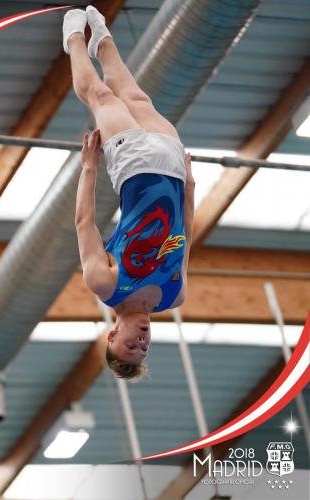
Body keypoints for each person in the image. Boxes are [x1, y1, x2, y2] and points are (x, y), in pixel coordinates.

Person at [63, 6, 195, 381]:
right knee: (137, 98)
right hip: (170, 167)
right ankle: (102, 40)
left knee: (101, 95)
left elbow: (83, 223)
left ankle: (73, 39)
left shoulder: (105, 283)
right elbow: (184, 236)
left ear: (113, 334)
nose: (141, 342)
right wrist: (189, 189)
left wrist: (89, 167)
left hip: (133, 168)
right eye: (144, 349)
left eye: (129, 346)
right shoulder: (174, 295)